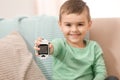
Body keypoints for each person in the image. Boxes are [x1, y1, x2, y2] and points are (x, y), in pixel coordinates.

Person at [34, 0, 107, 80]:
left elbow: (101, 72)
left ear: (89, 25)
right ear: (60, 25)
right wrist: (46, 47)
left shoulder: (94, 47)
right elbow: (52, 48)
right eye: (68, 25)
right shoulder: (60, 44)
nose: (74, 29)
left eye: (80, 24)